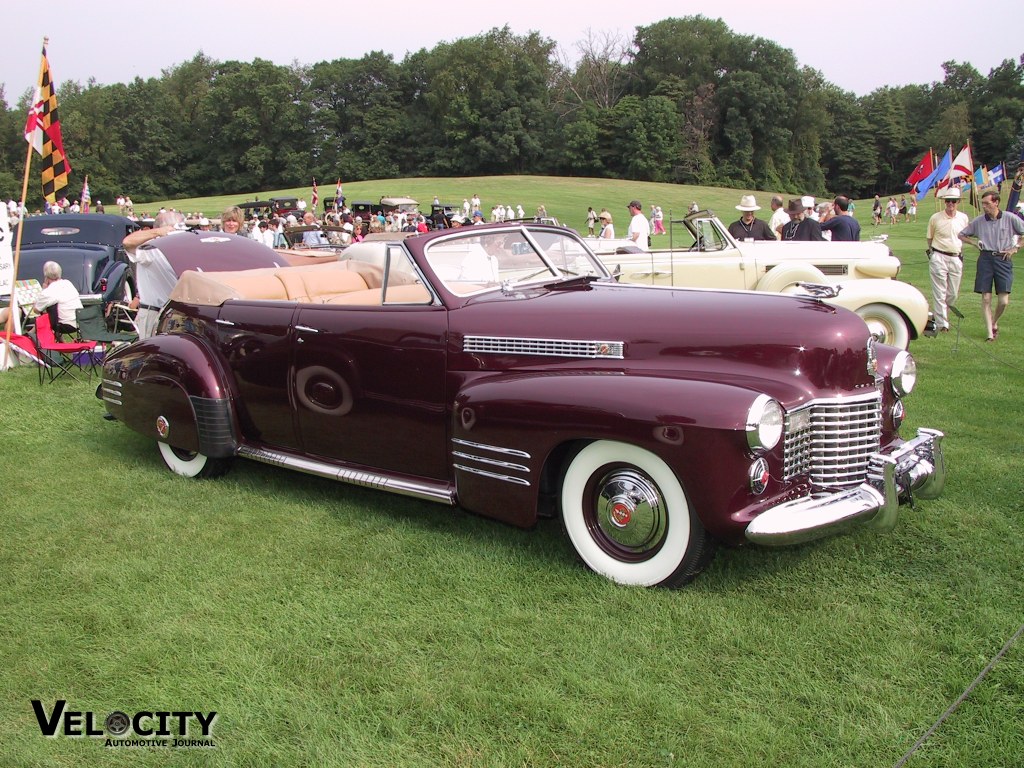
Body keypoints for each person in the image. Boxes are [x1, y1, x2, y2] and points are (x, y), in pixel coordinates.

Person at [958, 190, 1024, 341]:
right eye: (983, 203)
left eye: (987, 203)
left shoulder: (1010, 218)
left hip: (1003, 258)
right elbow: (961, 234)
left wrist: (1015, 248)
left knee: (1003, 301)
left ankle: (994, 322)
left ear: (996, 202)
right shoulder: (979, 221)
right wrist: (974, 243)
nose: (984, 206)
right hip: (985, 259)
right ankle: (989, 334)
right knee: (986, 298)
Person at [926, 188, 969, 333]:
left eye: (954, 201)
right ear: (944, 202)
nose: (951, 204)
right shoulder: (935, 218)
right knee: (939, 291)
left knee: (953, 294)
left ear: (958, 202)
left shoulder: (963, 218)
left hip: (956, 257)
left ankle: (942, 314)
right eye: (948, 201)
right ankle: (942, 324)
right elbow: (929, 238)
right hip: (939, 255)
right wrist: (933, 253)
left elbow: (965, 236)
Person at [33, 260, 83, 338]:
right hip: (80, 323)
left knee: (47, 311)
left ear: (46, 276)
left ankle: (32, 335)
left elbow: (36, 310)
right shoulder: (68, 283)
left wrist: (44, 289)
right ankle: (60, 341)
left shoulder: (48, 292)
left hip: (63, 326)